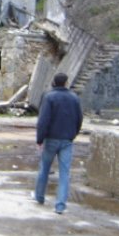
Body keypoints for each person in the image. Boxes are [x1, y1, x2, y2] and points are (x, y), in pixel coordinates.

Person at [33, 72, 83, 214]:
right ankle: (60, 205)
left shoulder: (49, 97)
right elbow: (79, 119)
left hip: (51, 139)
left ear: (54, 82)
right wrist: (73, 135)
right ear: (66, 83)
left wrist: (40, 139)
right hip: (67, 140)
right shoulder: (74, 98)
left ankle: (39, 197)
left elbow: (43, 121)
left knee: (44, 169)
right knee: (65, 173)